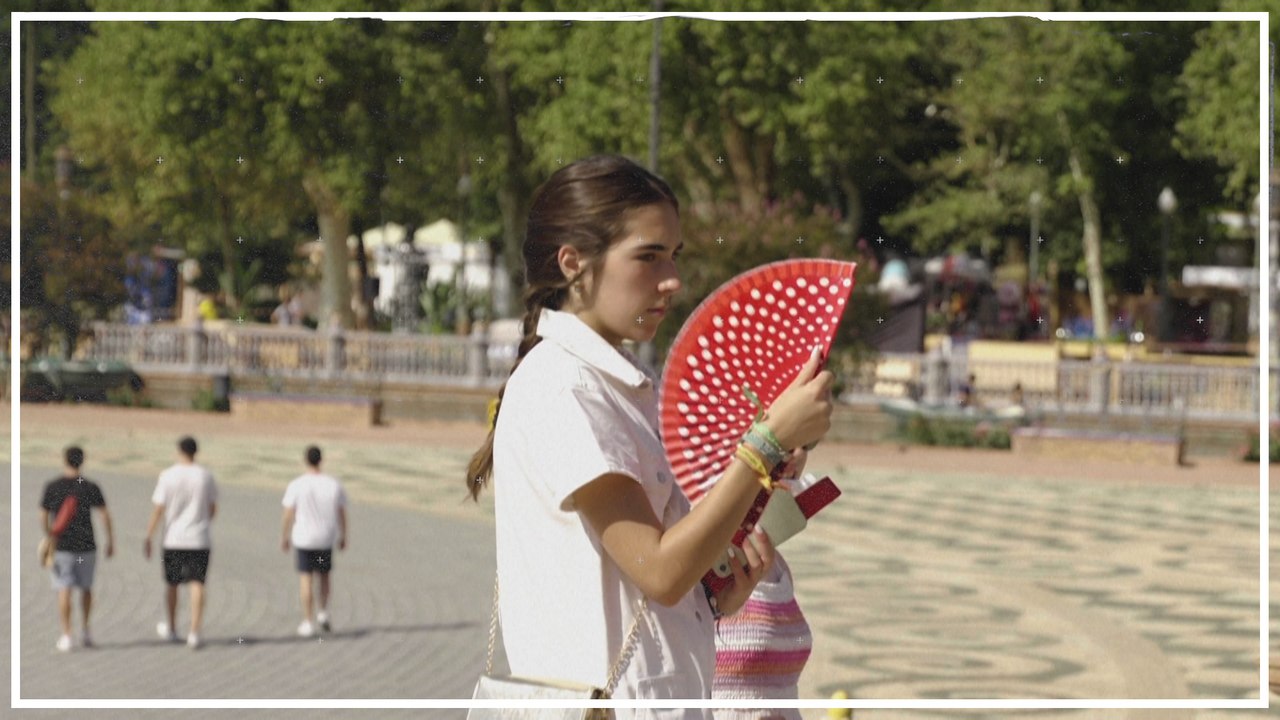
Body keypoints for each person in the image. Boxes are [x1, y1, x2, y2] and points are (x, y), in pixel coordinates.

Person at [466, 155, 834, 714]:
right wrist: (765, 445)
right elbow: (658, 570)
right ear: (573, 264)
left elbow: (654, 581)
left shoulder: (615, 384)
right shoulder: (565, 387)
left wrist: (713, 594)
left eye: (674, 256)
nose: (671, 280)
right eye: (648, 256)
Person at [711, 449, 813, 720]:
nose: (799, 453)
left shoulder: (777, 565)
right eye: (785, 441)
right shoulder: (705, 559)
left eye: (807, 443)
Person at [143, 436, 218, 649]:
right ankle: (195, 631)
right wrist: (202, 521)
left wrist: (149, 535)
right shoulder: (205, 476)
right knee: (197, 582)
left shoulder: (167, 475)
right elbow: (212, 508)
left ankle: (173, 627)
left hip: (174, 538)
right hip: (199, 537)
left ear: (179, 451)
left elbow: (159, 508)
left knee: (172, 583)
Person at [38, 446, 114, 651]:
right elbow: (104, 515)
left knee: (64, 588)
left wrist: (48, 535)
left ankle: (67, 634)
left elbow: (43, 514)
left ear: (65, 460)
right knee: (86, 588)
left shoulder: (53, 486)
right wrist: (110, 541)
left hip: (62, 547)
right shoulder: (89, 486)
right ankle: (86, 630)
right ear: (83, 461)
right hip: (86, 547)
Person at [280, 445, 348, 637]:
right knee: (324, 576)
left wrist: (284, 536)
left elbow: (288, 513)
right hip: (325, 539)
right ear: (321, 460)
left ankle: (307, 621)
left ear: (305, 460)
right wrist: (344, 536)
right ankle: (323, 612)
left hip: (305, 540)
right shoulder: (333, 484)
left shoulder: (297, 484)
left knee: (306, 578)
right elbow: (341, 512)